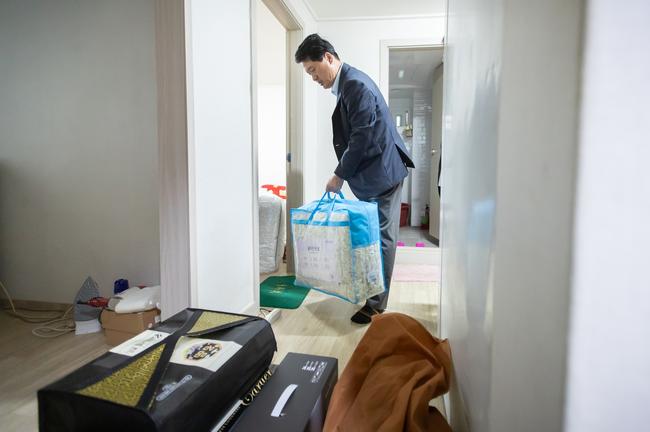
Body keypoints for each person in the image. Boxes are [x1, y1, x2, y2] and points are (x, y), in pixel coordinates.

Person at [295, 34, 415, 324]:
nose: (313, 78)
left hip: (383, 174)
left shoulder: (355, 85)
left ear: (328, 57)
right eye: (309, 73)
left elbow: (362, 137)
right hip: (375, 173)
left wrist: (339, 175)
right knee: (373, 236)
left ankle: (375, 306)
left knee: (382, 238)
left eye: (313, 70)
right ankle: (371, 294)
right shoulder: (348, 83)